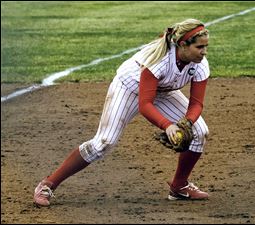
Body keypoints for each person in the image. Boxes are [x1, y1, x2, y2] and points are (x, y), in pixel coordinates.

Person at [34, 18, 210, 206]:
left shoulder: (199, 63)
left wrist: (186, 124)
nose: (204, 51)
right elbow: (145, 105)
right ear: (183, 45)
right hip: (129, 88)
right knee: (104, 142)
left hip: (164, 91)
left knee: (199, 132)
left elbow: (196, 104)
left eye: (206, 46)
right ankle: (48, 184)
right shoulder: (159, 60)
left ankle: (179, 186)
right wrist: (168, 126)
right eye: (200, 47)